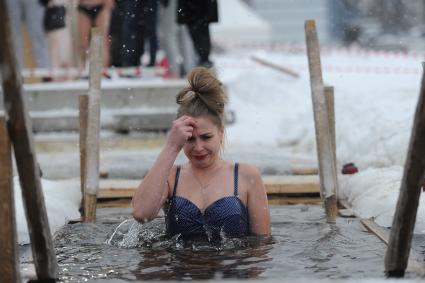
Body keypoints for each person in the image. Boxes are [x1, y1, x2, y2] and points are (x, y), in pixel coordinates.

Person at [131, 67, 271, 241]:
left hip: (233, 266)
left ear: (220, 132)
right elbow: (141, 213)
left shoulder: (246, 175)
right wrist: (171, 147)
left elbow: (262, 245)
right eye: (190, 139)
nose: (198, 147)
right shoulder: (171, 176)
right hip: (182, 266)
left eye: (206, 137)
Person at [177, 0, 218, 68]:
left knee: (200, 35)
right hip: (195, 11)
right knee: (199, 35)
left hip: (196, 10)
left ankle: (203, 60)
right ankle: (203, 60)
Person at [77, 0, 113, 70]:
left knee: (102, 42)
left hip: (101, 6)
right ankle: (83, 70)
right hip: (84, 7)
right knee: (83, 44)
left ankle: (103, 70)